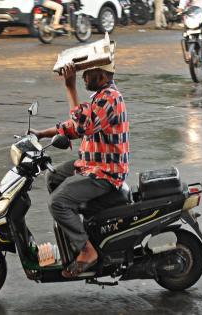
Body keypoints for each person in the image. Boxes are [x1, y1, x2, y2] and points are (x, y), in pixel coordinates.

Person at [30, 52, 129, 278]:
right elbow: (75, 126)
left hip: (105, 173)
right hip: (90, 164)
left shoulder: (110, 98)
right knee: (53, 177)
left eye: (88, 73)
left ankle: (87, 251)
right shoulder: (100, 97)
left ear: (102, 75)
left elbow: (83, 126)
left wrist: (70, 87)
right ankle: (74, 234)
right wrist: (42, 134)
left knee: (58, 202)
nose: (84, 77)